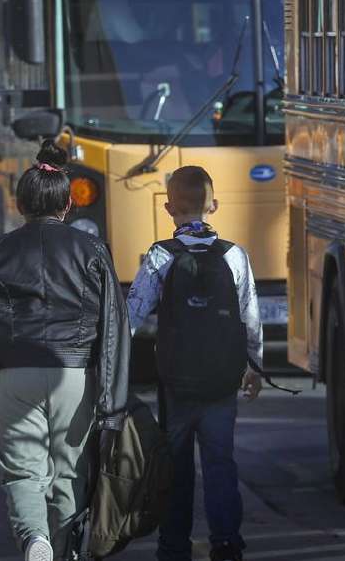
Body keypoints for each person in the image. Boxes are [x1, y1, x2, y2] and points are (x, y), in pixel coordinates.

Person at [0, 141, 130, 561]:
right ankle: (62, 548)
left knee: (22, 471)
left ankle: (34, 538)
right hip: (74, 374)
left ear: (19, 204)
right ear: (69, 203)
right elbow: (114, 326)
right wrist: (113, 402)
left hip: (12, 373)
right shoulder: (92, 250)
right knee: (69, 472)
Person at [126, 165, 263, 561]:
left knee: (176, 466)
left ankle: (173, 546)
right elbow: (249, 317)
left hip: (176, 384)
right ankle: (226, 543)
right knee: (221, 462)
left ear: (169, 208)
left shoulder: (160, 256)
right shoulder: (234, 255)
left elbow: (132, 316)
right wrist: (254, 368)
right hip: (222, 382)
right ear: (213, 205)